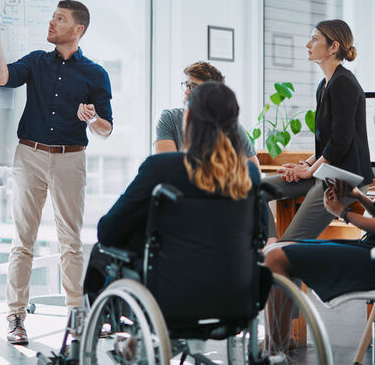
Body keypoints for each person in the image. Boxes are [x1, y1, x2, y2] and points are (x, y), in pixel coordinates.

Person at [265, 73, 375, 344]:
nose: (374, 110)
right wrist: (355, 194)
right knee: (273, 251)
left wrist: (344, 213)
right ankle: (277, 351)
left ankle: (276, 354)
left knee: (276, 257)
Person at [0, 0, 113, 345]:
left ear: (78, 29)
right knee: (22, 240)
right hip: (30, 155)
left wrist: (92, 119)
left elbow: (106, 128)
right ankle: (15, 317)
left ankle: (77, 316)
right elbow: (3, 76)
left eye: (60, 18)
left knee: (70, 241)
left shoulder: (95, 74)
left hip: (71, 158)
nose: (52, 23)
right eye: (52, 17)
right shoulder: (38, 62)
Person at [96, 81, 261, 256]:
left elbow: (109, 232)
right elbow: (260, 235)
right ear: (234, 125)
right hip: (235, 278)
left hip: (171, 279)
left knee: (101, 255)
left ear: (187, 116)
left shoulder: (160, 168)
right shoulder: (248, 173)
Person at [263, 19, 373, 243]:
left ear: (333, 47)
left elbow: (340, 143)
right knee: (254, 188)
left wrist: (311, 169)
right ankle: (270, 244)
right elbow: (327, 143)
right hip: (325, 170)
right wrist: (306, 165)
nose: (308, 45)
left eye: (314, 39)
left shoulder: (345, 83)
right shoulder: (324, 85)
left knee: (290, 246)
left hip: (343, 178)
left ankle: (280, 253)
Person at [154, 60, 262, 172]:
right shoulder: (169, 119)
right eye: (187, 85)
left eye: (193, 87)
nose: (186, 92)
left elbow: (254, 172)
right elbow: (168, 170)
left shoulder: (230, 126)